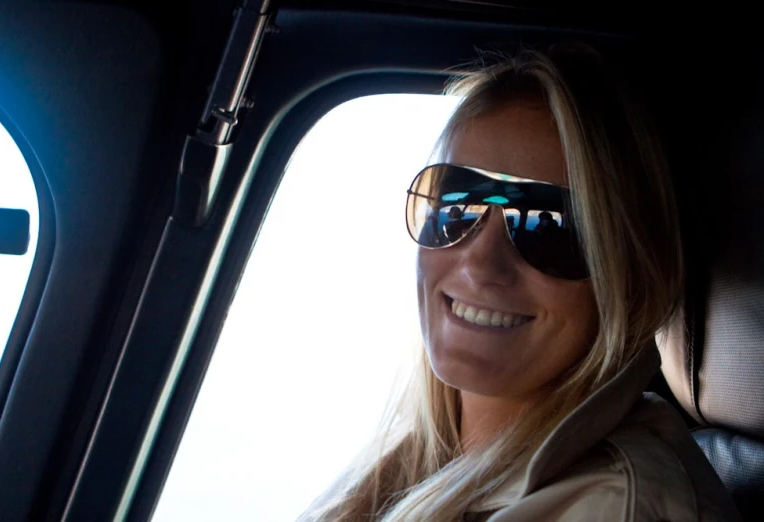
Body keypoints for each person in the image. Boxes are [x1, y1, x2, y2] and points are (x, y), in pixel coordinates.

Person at [300, 46, 741, 521]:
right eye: (456, 205)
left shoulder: (607, 507)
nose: (479, 264)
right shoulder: (415, 455)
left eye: (550, 226)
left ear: (629, 278)